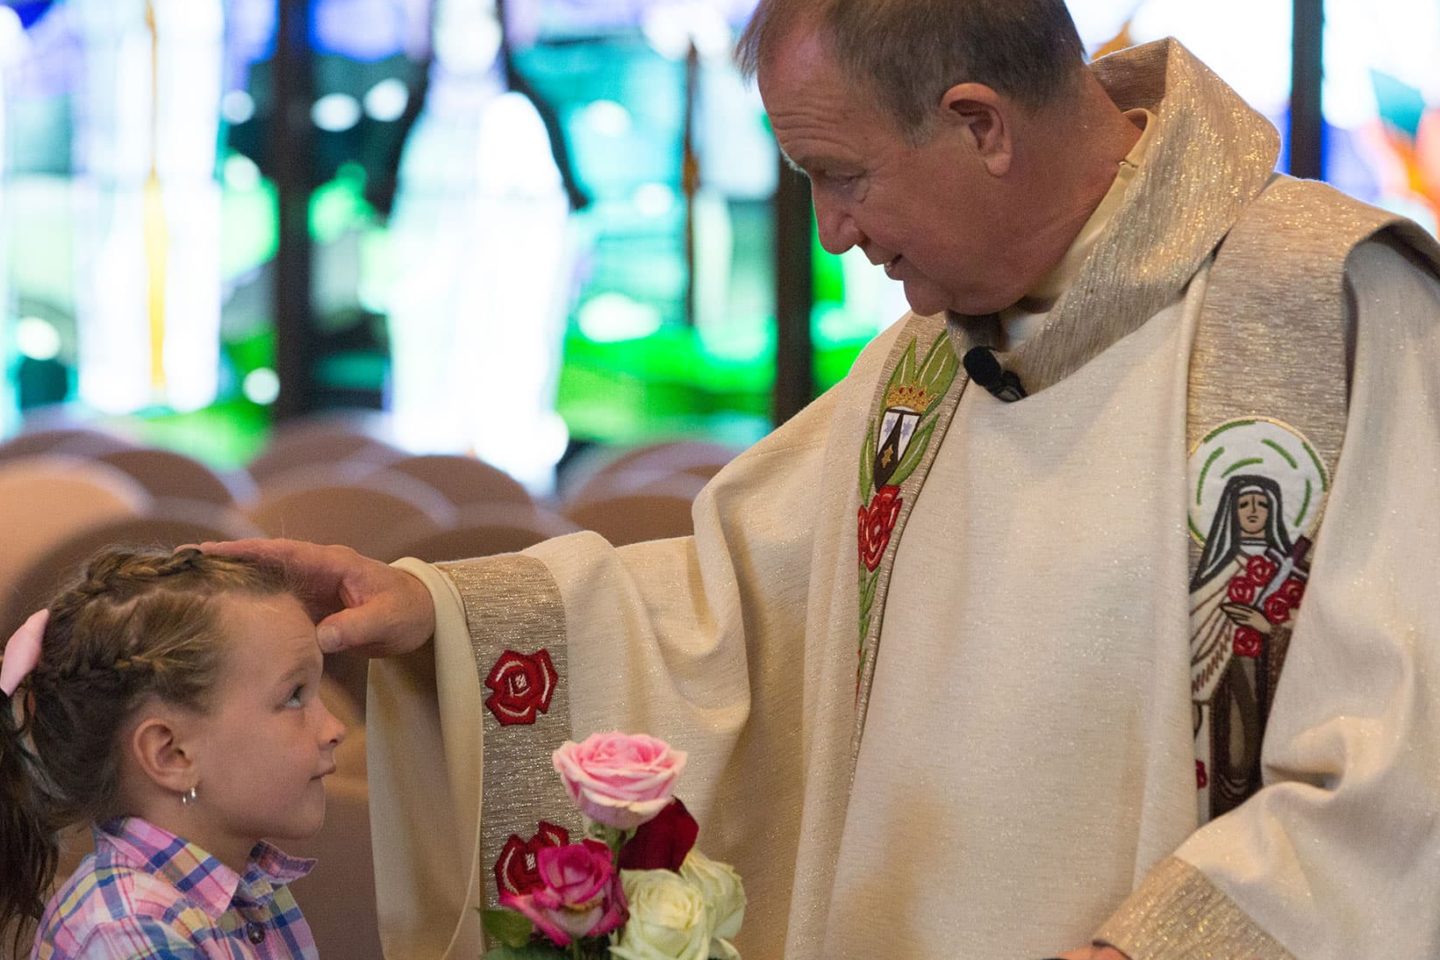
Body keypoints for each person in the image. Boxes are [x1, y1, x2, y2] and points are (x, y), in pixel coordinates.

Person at [206, 1, 1440, 957]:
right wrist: (444, 611)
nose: (833, 232)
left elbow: (1406, 764)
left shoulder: (1329, 317)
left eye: (840, 174)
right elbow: (728, 608)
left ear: (980, 124)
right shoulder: (925, 364)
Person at [0, 548, 346, 959]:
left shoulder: (241, 892)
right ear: (171, 754)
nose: (335, 729)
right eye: (293, 697)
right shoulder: (129, 933)